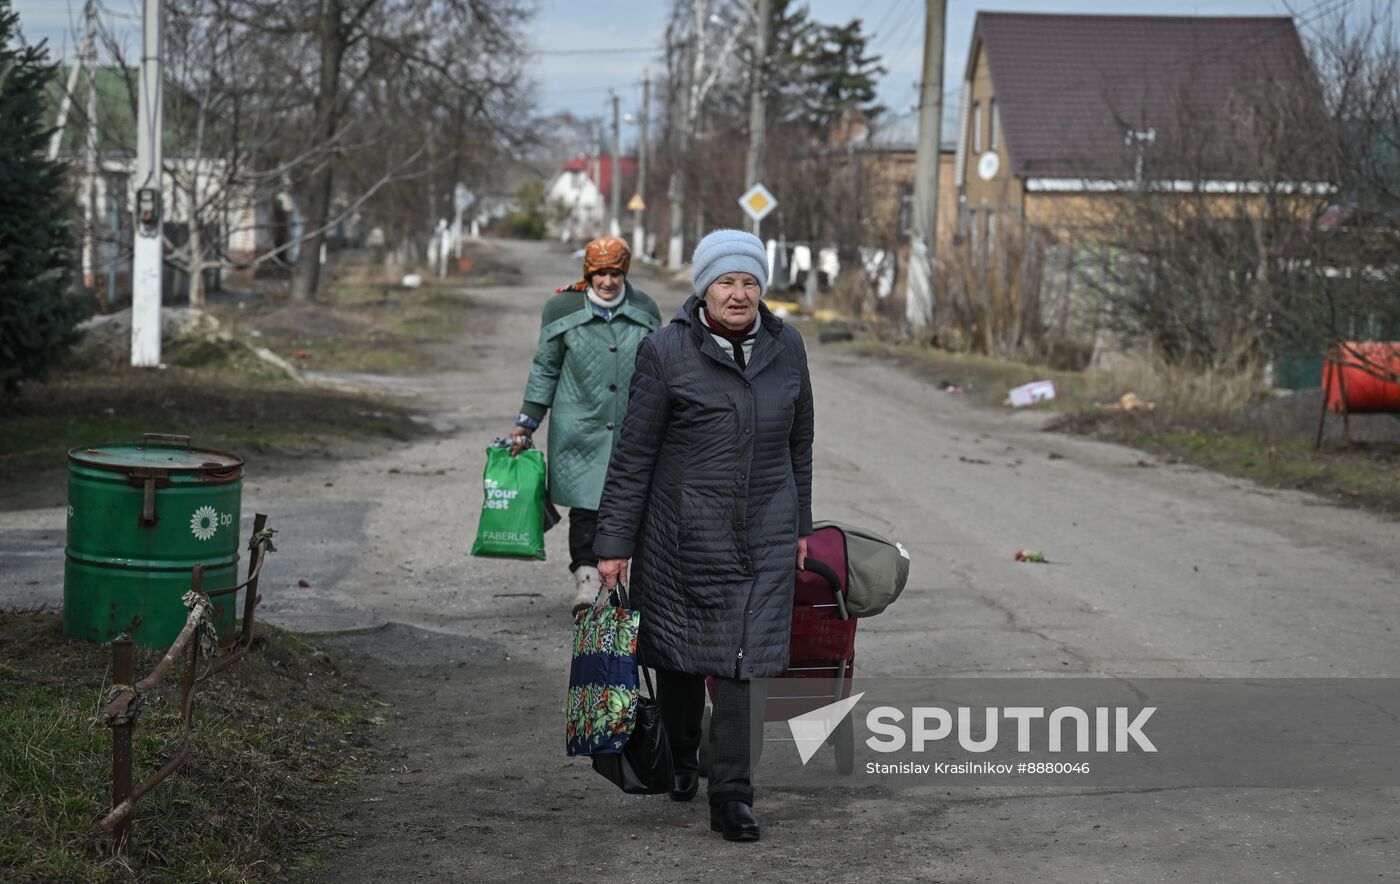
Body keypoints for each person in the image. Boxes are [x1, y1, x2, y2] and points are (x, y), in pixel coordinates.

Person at [593, 228, 815, 843]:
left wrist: (800, 524)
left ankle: (734, 796)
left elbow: (801, 441)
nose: (739, 293)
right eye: (726, 281)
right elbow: (633, 454)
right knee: (683, 657)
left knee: (746, 663)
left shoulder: (787, 345)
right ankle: (683, 756)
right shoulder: (666, 351)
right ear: (703, 289)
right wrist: (613, 544)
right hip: (683, 531)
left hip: (766, 529)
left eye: (749, 281)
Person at [509, 236, 661, 614]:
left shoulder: (644, 308)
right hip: (580, 426)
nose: (608, 281)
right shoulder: (561, 308)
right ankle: (587, 582)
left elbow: (662, 369)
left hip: (632, 427)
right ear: (588, 274)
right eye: (600, 273)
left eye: (615, 272)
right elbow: (546, 367)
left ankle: (625, 586)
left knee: (631, 506)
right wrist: (527, 422)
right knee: (586, 509)